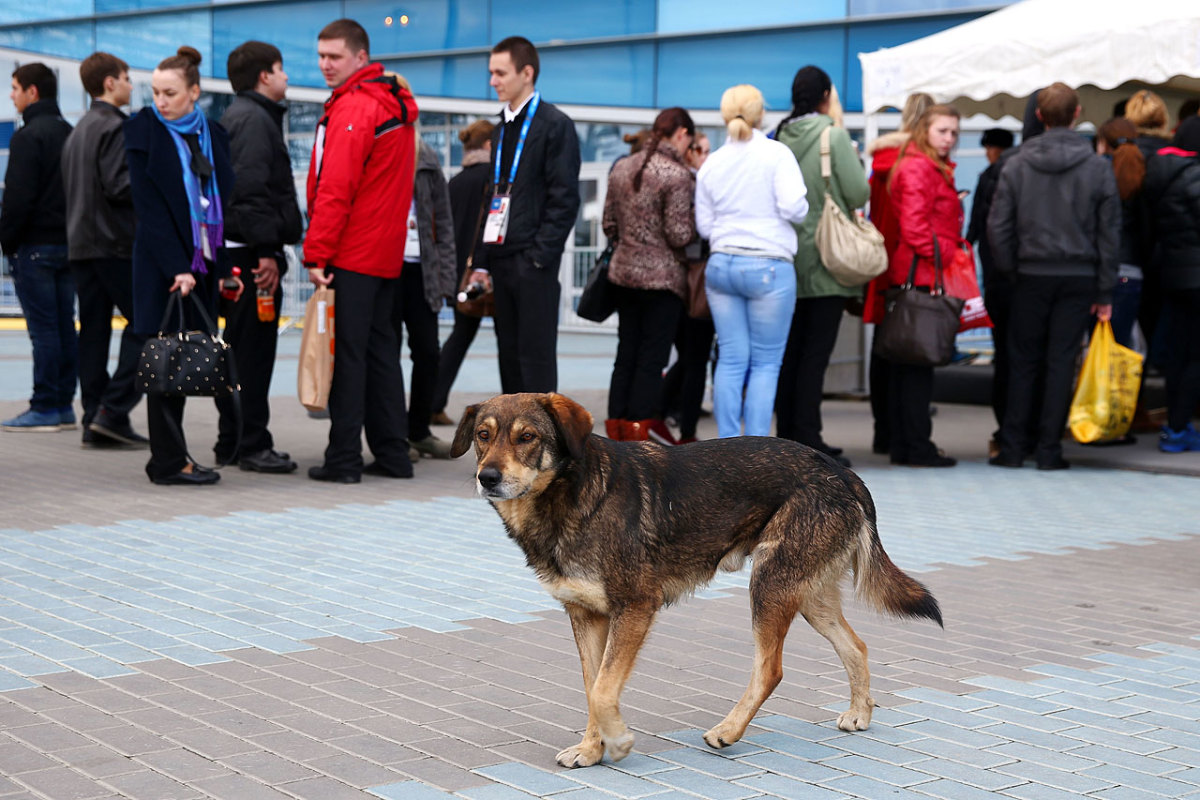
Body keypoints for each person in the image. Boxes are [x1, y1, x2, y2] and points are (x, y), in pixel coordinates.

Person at [303, 18, 420, 484]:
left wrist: (316, 254)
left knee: (347, 359)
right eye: (320, 56)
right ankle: (393, 455)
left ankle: (343, 460)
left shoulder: (356, 106)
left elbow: (335, 189)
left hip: (352, 253)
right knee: (380, 355)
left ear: (360, 57)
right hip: (383, 255)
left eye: (334, 56)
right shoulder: (391, 103)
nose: (325, 65)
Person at [987, 82, 1119, 471]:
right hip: (1078, 275)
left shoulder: (1016, 164)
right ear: (1077, 113)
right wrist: (1105, 289)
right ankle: (1049, 449)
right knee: (1062, 361)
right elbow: (1109, 232)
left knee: (1022, 360)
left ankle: (1013, 447)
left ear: (1039, 116)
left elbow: (998, 228)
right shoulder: (1097, 167)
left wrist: (1012, 268)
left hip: (1030, 272)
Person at [124, 46, 237, 485]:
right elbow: (148, 209)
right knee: (166, 362)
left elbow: (219, 208)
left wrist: (223, 268)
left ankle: (175, 457)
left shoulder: (213, 133)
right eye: (154, 92)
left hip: (202, 267)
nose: (160, 101)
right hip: (164, 268)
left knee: (187, 358)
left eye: (170, 92)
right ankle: (168, 462)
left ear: (194, 92)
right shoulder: (142, 131)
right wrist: (177, 268)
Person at [465, 36, 581, 394]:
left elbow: (565, 199)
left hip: (532, 265)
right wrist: (482, 262)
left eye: (500, 73)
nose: (493, 81)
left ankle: (546, 445)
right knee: (509, 358)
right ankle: (514, 444)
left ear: (526, 73)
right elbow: (494, 197)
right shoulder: (500, 130)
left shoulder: (554, 125)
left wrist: (538, 259)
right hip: (501, 261)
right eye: (491, 72)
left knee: (536, 361)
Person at [695, 84, 809, 438]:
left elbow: (704, 225)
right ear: (760, 115)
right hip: (768, 267)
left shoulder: (712, 162)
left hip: (722, 265)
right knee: (765, 363)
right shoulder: (777, 155)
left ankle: (728, 447)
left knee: (730, 359)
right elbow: (794, 207)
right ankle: (758, 451)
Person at [773, 66, 869, 467]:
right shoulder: (833, 134)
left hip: (786, 259)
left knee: (788, 354)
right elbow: (858, 190)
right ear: (826, 96)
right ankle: (810, 440)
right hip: (826, 261)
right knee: (815, 356)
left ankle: (788, 436)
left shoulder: (779, 135)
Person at [215, 40, 303, 474]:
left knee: (240, 350)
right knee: (251, 353)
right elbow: (249, 194)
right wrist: (267, 251)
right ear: (265, 75)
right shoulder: (252, 121)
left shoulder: (247, 117)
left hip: (246, 252)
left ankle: (233, 439)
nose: (287, 77)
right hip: (252, 258)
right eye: (281, 68)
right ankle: (250, 442)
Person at [61, 52, 147, 447]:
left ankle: (95, 418)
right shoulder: (115, 127)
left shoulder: (79, 129)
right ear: (110, 83)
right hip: (114, 243)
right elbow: (119, 185)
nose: (132, 85)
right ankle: (113, 410)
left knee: (93, 333)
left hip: (82, 244)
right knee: (148, 322)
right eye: (127, 78)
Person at [601, 107, 696, 443]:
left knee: (626, 352)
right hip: (662, 281)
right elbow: (678, 234)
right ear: (682, 133)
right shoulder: (677, 175)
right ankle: (638, 434)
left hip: (623, 276)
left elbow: (608, 224)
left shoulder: (622, 167)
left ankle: (615, 430)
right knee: (651, 358)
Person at [884, 104, 965, 468]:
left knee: (909, 365)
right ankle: (916, 445)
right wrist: (951, 253)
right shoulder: (920, 167)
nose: (949, 139)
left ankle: (907, 443)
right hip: (922, 274)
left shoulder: (925, 164)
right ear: (924, 131)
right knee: (917, 364)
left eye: (953, 133)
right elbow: (916, 227)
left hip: (918, 272)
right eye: (942, 131)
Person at [968, 92, 1045, 457]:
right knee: (1045, 357)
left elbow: (983, 228)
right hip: (1049, 277)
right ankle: (1041, 434)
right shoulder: (1084, 162)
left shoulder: (1000, 169)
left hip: (1004, 278)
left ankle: (1009, 434)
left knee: (1009, 358)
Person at [0, 63, 76, 433]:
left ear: (33, 92)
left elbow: (18, 199)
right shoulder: (69, 132)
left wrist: (7, 242)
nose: (11, 95)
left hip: (35, 247)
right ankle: (63, 404)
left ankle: (44, 405)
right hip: (69, 245)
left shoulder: (28, 137)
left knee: (43, 331)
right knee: (65, 327)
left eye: (15, 88)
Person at [864, 92, 933, 455]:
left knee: (883, 346)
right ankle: (907, 434)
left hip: (882, 254)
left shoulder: (882, 158)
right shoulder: (922, 161)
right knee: (911, 347)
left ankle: (883, 431)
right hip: (911, 260)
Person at [393, 112, 457, 460]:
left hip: (423, 270)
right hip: (386, 267)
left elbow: (444, 224)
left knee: (428, 353)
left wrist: (447, 277)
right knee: (386, 356)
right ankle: (391, 433)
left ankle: (418, 430)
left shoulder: (428, 159)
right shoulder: (377, 152)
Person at [431, 120, 494, 427]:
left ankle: (433, 401)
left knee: (459, 336)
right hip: (485, 271)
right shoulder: (493, 179)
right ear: (487, 146)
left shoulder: (455, 181)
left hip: (457, 271)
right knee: (508, 339)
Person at [1143, 116, 1200, 453]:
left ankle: (1175, 425)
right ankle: (1179, 428)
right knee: (1195, 356)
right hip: (1196, 278)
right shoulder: (1194, 174)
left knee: (1178, 354)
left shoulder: (1159, 173)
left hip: (1171, 275)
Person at [660, 130, 715, 444]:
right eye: (702, 150)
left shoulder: (685, 180)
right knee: (695, 358)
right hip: (693, 282)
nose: (706, 156)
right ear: (690, 151)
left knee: (689, 357)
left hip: (683, 281)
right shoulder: (692, 183)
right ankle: (687, 428)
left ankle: (665, 407)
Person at [1094, 117, 1148, 350]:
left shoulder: (1096, 174)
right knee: (1122, 349)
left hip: (1097, 270)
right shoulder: (1144, 173)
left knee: (1096, 346)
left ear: (1104, 143)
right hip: (1133, 269)